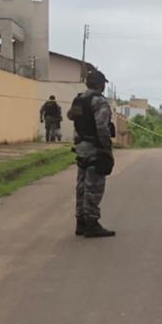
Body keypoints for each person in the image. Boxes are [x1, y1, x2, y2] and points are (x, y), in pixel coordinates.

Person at [67, 70, 115, 237]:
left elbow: (70, 116)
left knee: (81, 185)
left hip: (80, 146)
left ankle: (80, 221)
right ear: (100, 85)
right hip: (95, 148)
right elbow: (101, 126)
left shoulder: (79, 99)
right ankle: (91, 223)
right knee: (93, 186)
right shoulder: (100, 102)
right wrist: (106, 146)